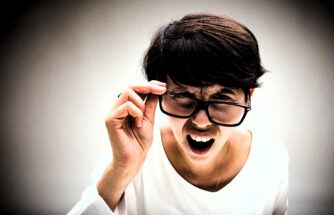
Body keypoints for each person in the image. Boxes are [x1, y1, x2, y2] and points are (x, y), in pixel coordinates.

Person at [68, 12, 289, 215]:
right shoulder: (133, 156)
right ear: (156, 93)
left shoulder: (270, 159)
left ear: (248, 97)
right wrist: (121, 168)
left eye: (221, 99)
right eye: (183, 97)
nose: (201, 121)